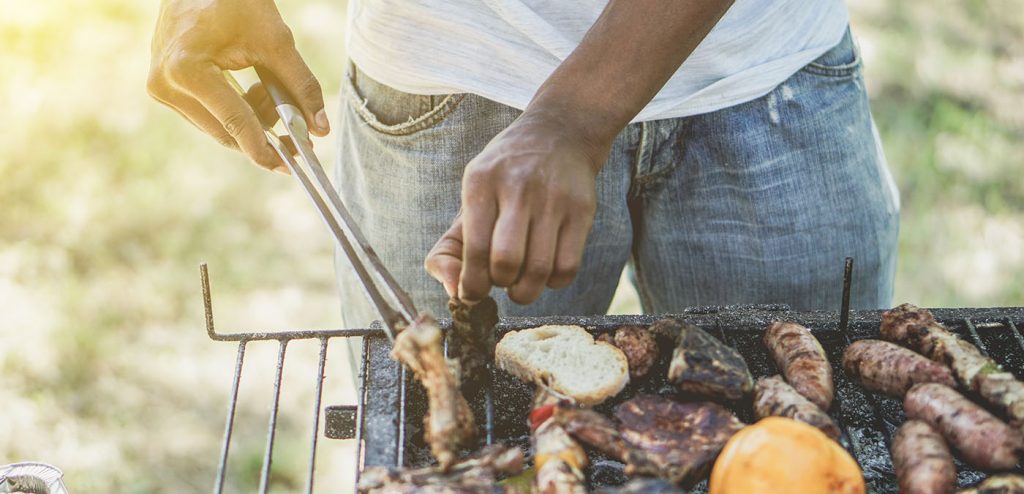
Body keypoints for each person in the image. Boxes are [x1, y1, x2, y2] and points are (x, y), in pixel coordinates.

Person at [148, 0, 900, 328]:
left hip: (767, 73)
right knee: (451, 449)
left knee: (809, 448)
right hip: (451, 73)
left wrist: (576, 115)